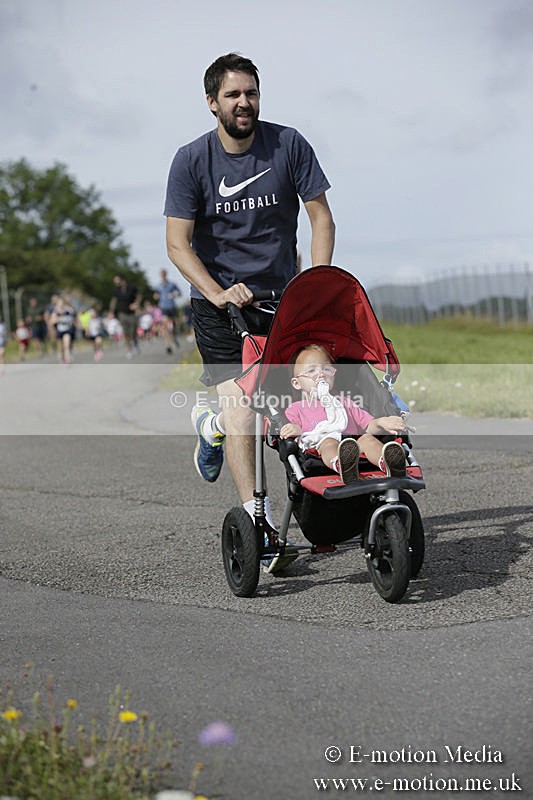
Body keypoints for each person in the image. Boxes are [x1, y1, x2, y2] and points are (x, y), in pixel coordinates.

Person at [164, 52, 335, 539]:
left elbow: (321, 218)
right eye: (233, 94)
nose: (244, 102)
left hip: (283, 301)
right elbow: (177, 243)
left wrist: (317, 285)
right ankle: (257, 519)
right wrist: (217, 293)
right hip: (218, 307)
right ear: (211, 102)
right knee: (241, 407)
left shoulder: (288, 144)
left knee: (297, 402)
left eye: (251, 93)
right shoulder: (191, 160)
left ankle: (215, 428)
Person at [280, 344, 408, 483]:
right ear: (297, 383)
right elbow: (289, 430)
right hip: (320, 448)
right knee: (329, 443)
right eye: (311, 370)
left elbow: (367, 425)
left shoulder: (344, 402)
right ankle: (342, 465)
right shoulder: (296, 409)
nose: (321, 374)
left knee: (367, 439)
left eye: (326, 369)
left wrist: (380, 423)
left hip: (353, 444)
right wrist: (295, 430)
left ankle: (388, 462)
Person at [110, 275, 141, 358]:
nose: (115, 283)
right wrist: (111, 311)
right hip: (122, 313)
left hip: (131, 313)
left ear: (121, 280)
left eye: (117, 280)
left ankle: (135, 344)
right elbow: (114, 300)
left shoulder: (131, 287)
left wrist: (136, 303)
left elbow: (139, 296)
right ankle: (129, 350)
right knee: (125, 333)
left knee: (133, 331)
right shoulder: (116, 290)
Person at [154, 268, 182, 354]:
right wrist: (156, 296)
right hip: (163, 307)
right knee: (165, 326)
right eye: (161, 274)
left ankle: (174, 337)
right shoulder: (158, 286)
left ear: (166, 274)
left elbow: (180, 293)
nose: (162, 275)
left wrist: (174, 294)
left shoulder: (172, 284)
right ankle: (168, 345)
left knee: (174, 325)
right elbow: (155, 296)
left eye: (163, 274)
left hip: (172, 306)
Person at [51, 297, 77, 364]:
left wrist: (73, 322)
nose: (61, 304)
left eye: (62, 303)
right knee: (61, 346)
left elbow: (73, 317)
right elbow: (52, 322)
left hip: (67, 330)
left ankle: (68, 357)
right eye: (59, 303)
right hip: (59, 330)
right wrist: (58, 319)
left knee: (67, 344)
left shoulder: (68, 310)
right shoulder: (55, 312)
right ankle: (61, 357)